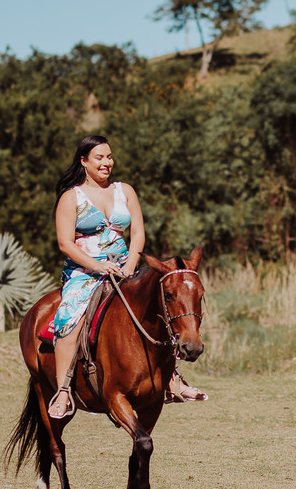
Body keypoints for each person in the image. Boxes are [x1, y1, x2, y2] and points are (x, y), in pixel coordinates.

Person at [48, 135, 205, 419]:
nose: (106, 162)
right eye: (99, 157)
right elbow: (65, 243)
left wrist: (132, 261)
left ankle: (173, 379)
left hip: (125, 266)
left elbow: (139, 233)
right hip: (85, 271)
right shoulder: (71, 197)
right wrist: (98, 267)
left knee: (159, 307)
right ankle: (62, 390)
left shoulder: (125, 191)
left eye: (109, 156)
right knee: (69, 317)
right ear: (84, 161)